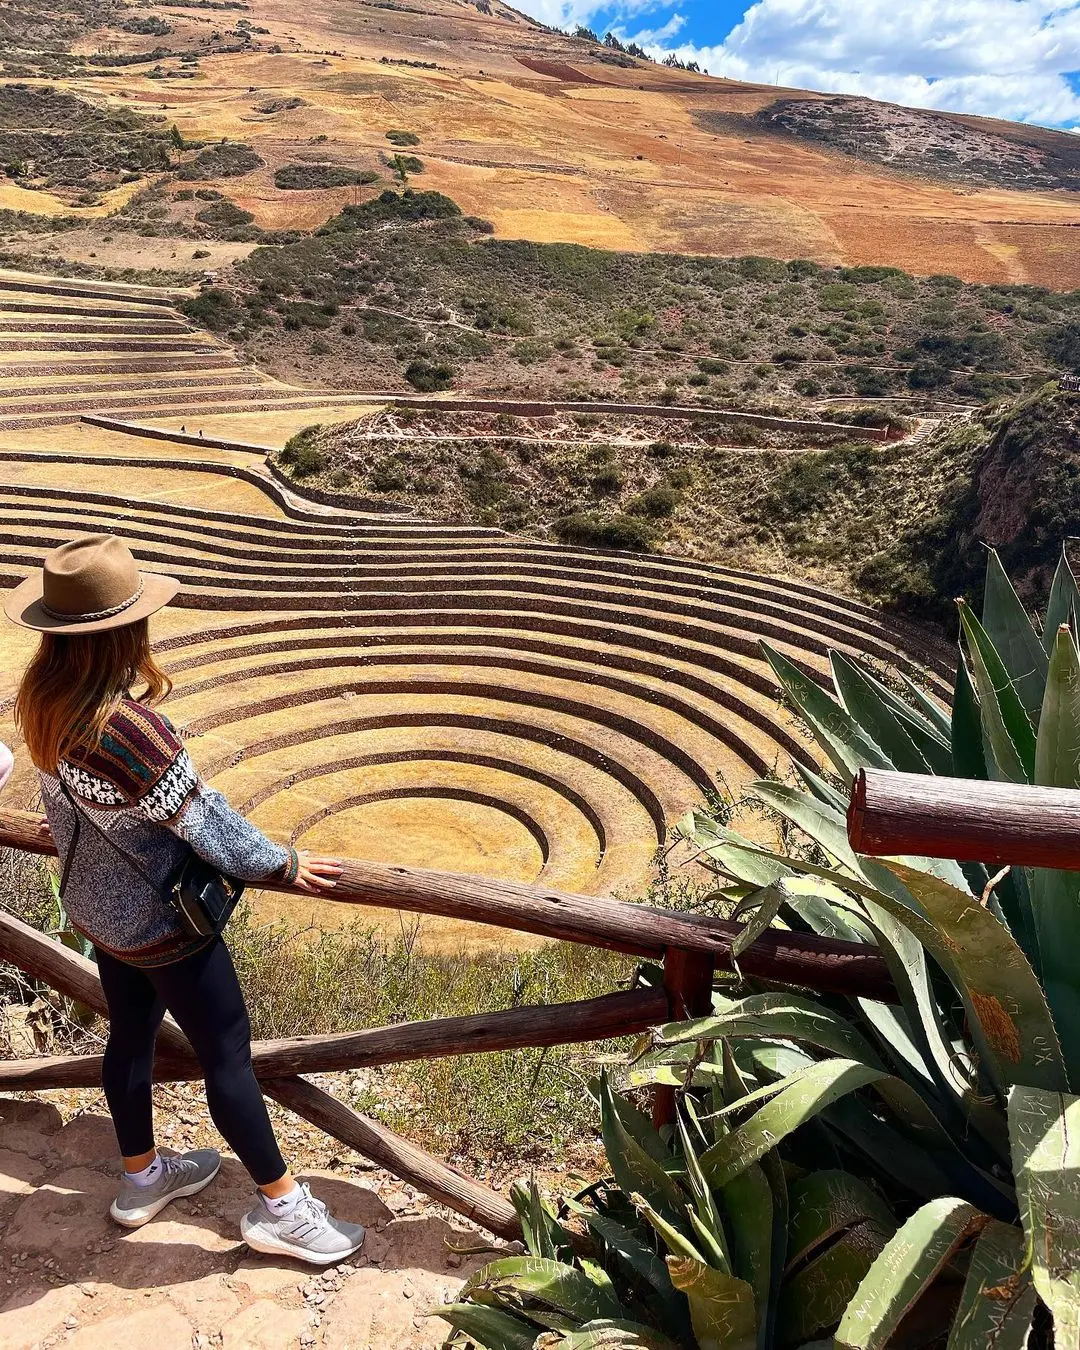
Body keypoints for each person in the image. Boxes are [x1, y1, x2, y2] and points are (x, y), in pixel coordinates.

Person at [4, 534, 364, 1266]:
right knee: (227, 1055)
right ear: (125, 631)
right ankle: (284, 1210)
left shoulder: (41, 699)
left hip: (100, 916)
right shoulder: (129, 729)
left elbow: (66, 808)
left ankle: (142, 1178)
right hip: (165, 921)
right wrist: (283, 863)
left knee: (129, 1037)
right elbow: (207, 824)